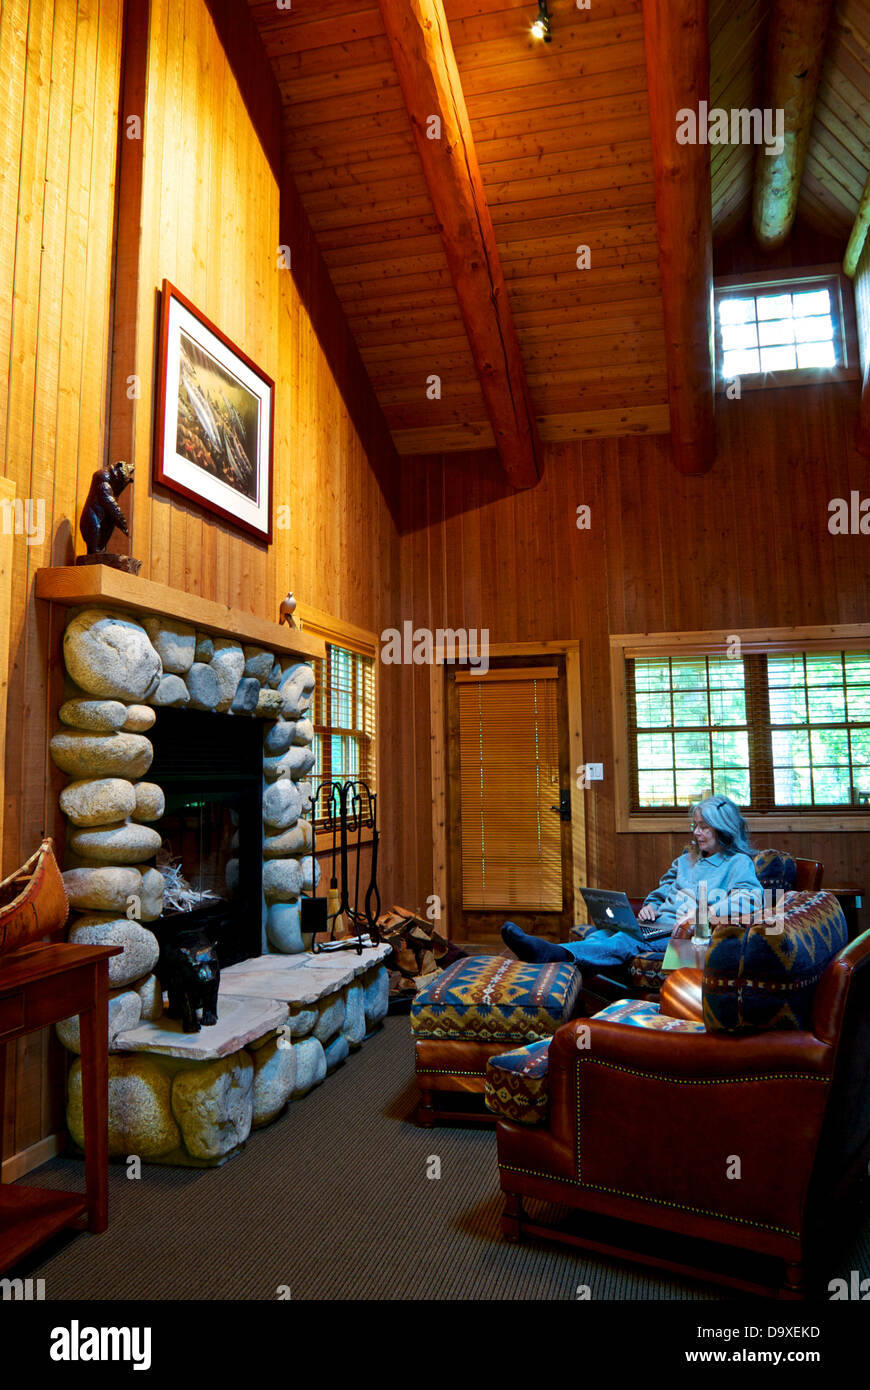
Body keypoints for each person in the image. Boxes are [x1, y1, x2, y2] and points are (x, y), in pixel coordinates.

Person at [501, 794, 764, 970]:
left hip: (688, 937)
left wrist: (705, 912)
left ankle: (551, 955)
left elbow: (751, 898)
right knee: (601, 933)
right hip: (659, 925)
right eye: (695, 825)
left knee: (625, 941)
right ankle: (555, 957)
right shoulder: (687, 859)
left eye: (704, 827)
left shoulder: (737, 863)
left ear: (724, 828)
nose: (696, 833)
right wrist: (651, 905)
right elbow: (663, 890)